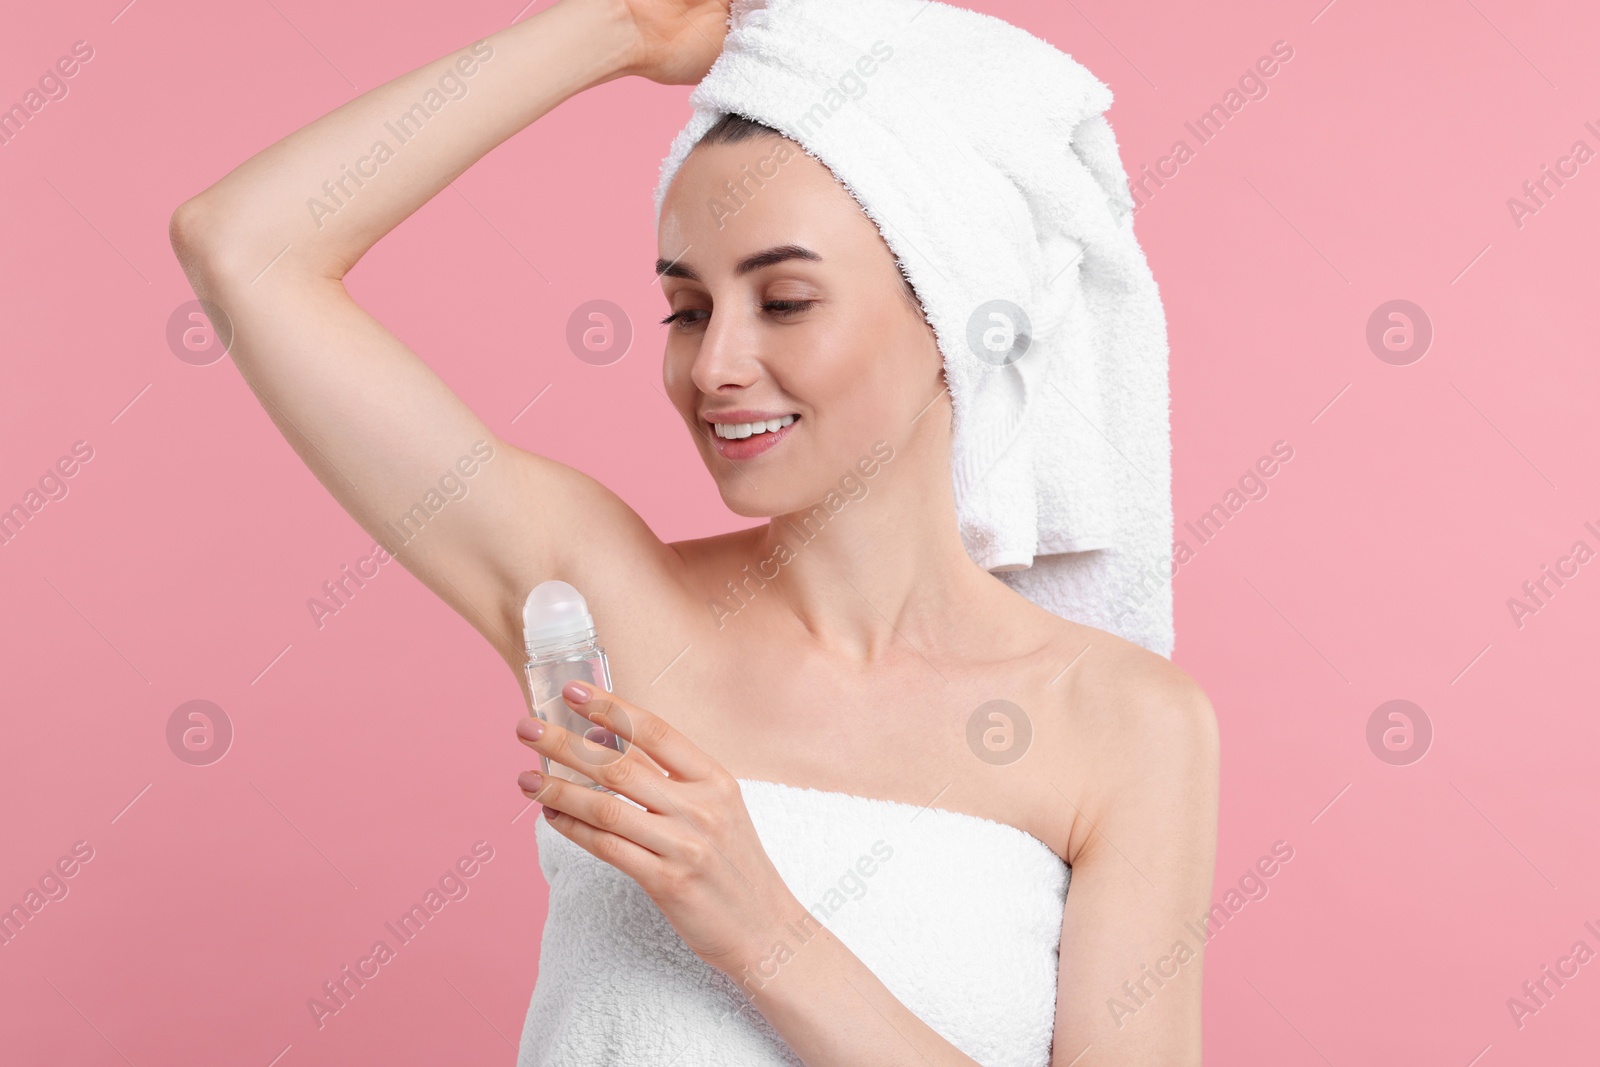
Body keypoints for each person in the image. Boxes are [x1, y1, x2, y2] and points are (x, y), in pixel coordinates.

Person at [169, 0, 1218, 1063]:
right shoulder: (596, 609)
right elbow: (243, 246)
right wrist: (618, 29)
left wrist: (761, 927)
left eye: (787, 299)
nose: (714, 365)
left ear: (954, 320)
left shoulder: (1122, 724)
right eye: (685, 308)